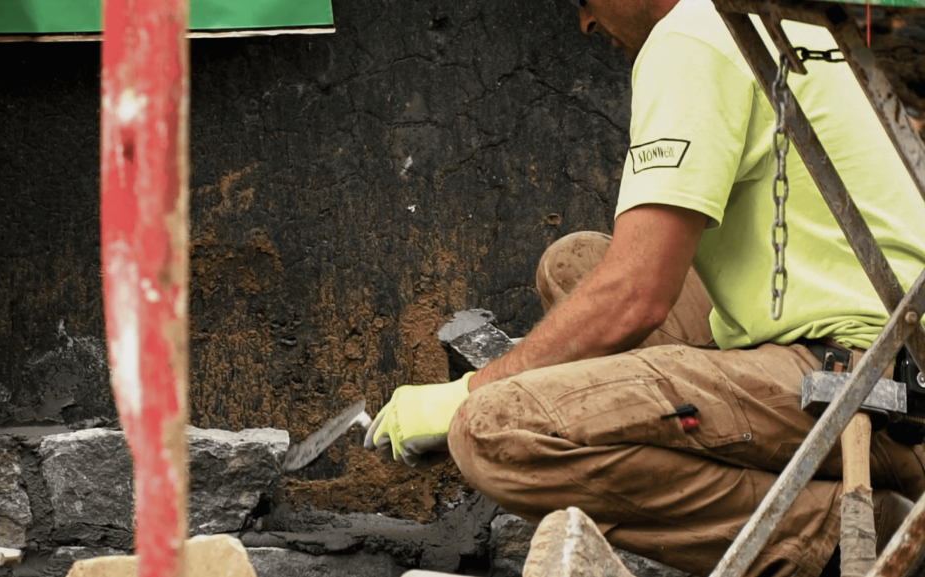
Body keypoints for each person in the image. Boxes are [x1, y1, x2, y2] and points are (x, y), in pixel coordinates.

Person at [364, 0, 925, 575]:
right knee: (574, 263)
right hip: (882, 335)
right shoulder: (776, 21)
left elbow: (636, 296)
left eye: (584, 1)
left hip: (879, 388)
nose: (584, 21)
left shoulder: (692, 35)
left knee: (491, 430)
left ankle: (846, 526)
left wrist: (464, 394)